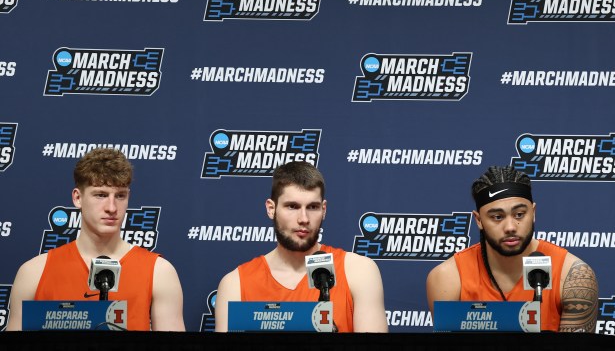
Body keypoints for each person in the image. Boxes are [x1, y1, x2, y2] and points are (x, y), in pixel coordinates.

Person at [6, 148, 185, 331]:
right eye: (100, 195)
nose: (111, 207)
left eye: (120, 196)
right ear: (77, 198)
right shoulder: (33, 272)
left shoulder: (159, 272)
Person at [214, 161, 388, 332]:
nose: (303, 218)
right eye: (292, 206)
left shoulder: (358, 271)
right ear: (271, 209)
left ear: (324, 210)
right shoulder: (236, 284)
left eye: (313, 207)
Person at [426, 165, 599, 332]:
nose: (510, 227)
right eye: (497, 217)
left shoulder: (572, 276)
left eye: (519, 215)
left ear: (533, 213)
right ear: (478, 220)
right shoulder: (448, 277)